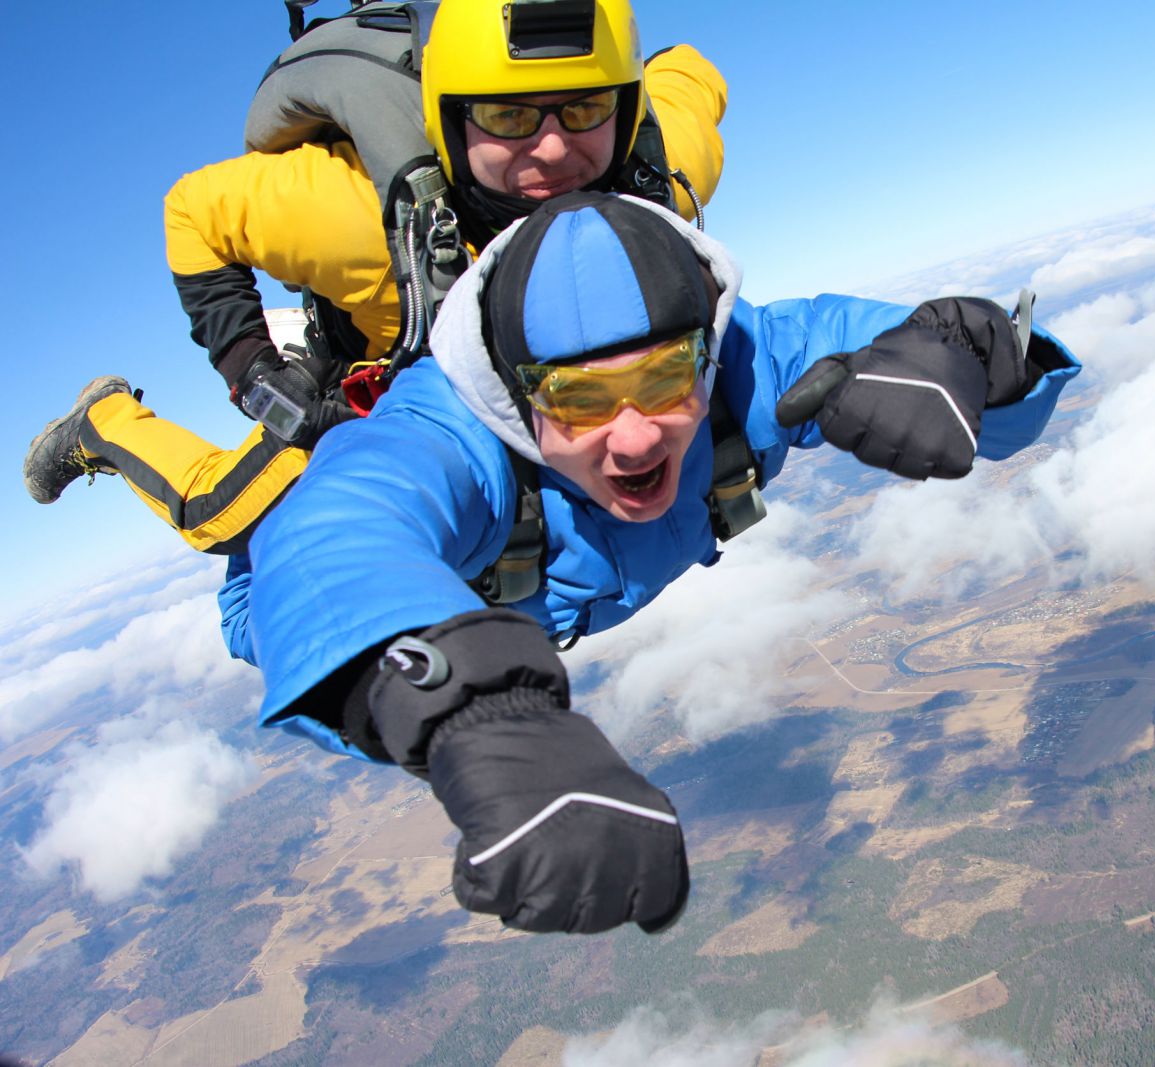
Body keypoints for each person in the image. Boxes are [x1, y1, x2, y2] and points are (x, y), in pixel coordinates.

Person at [235, 191, 1081, 935]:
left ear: (703, 352)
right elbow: (330, 540)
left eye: (667, 376)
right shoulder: (450, 440)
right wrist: (464, 708)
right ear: (517, 393)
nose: (635, 434)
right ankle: (110, 430)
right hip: (283, 599)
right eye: (579, 397)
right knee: (223, 507)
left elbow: (913, 341)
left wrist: (974, 357)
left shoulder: (743, 361)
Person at [23, 0, 725, 557]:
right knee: (225, 520)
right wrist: (259, 376)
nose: (551, 146)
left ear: (625, 106)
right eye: (506, 115)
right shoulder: (352, 212)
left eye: (582, 107)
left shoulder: (660, 178)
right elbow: (192, 213)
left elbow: (690, 74)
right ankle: (103, 424)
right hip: (381, 367)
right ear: (451, 119)